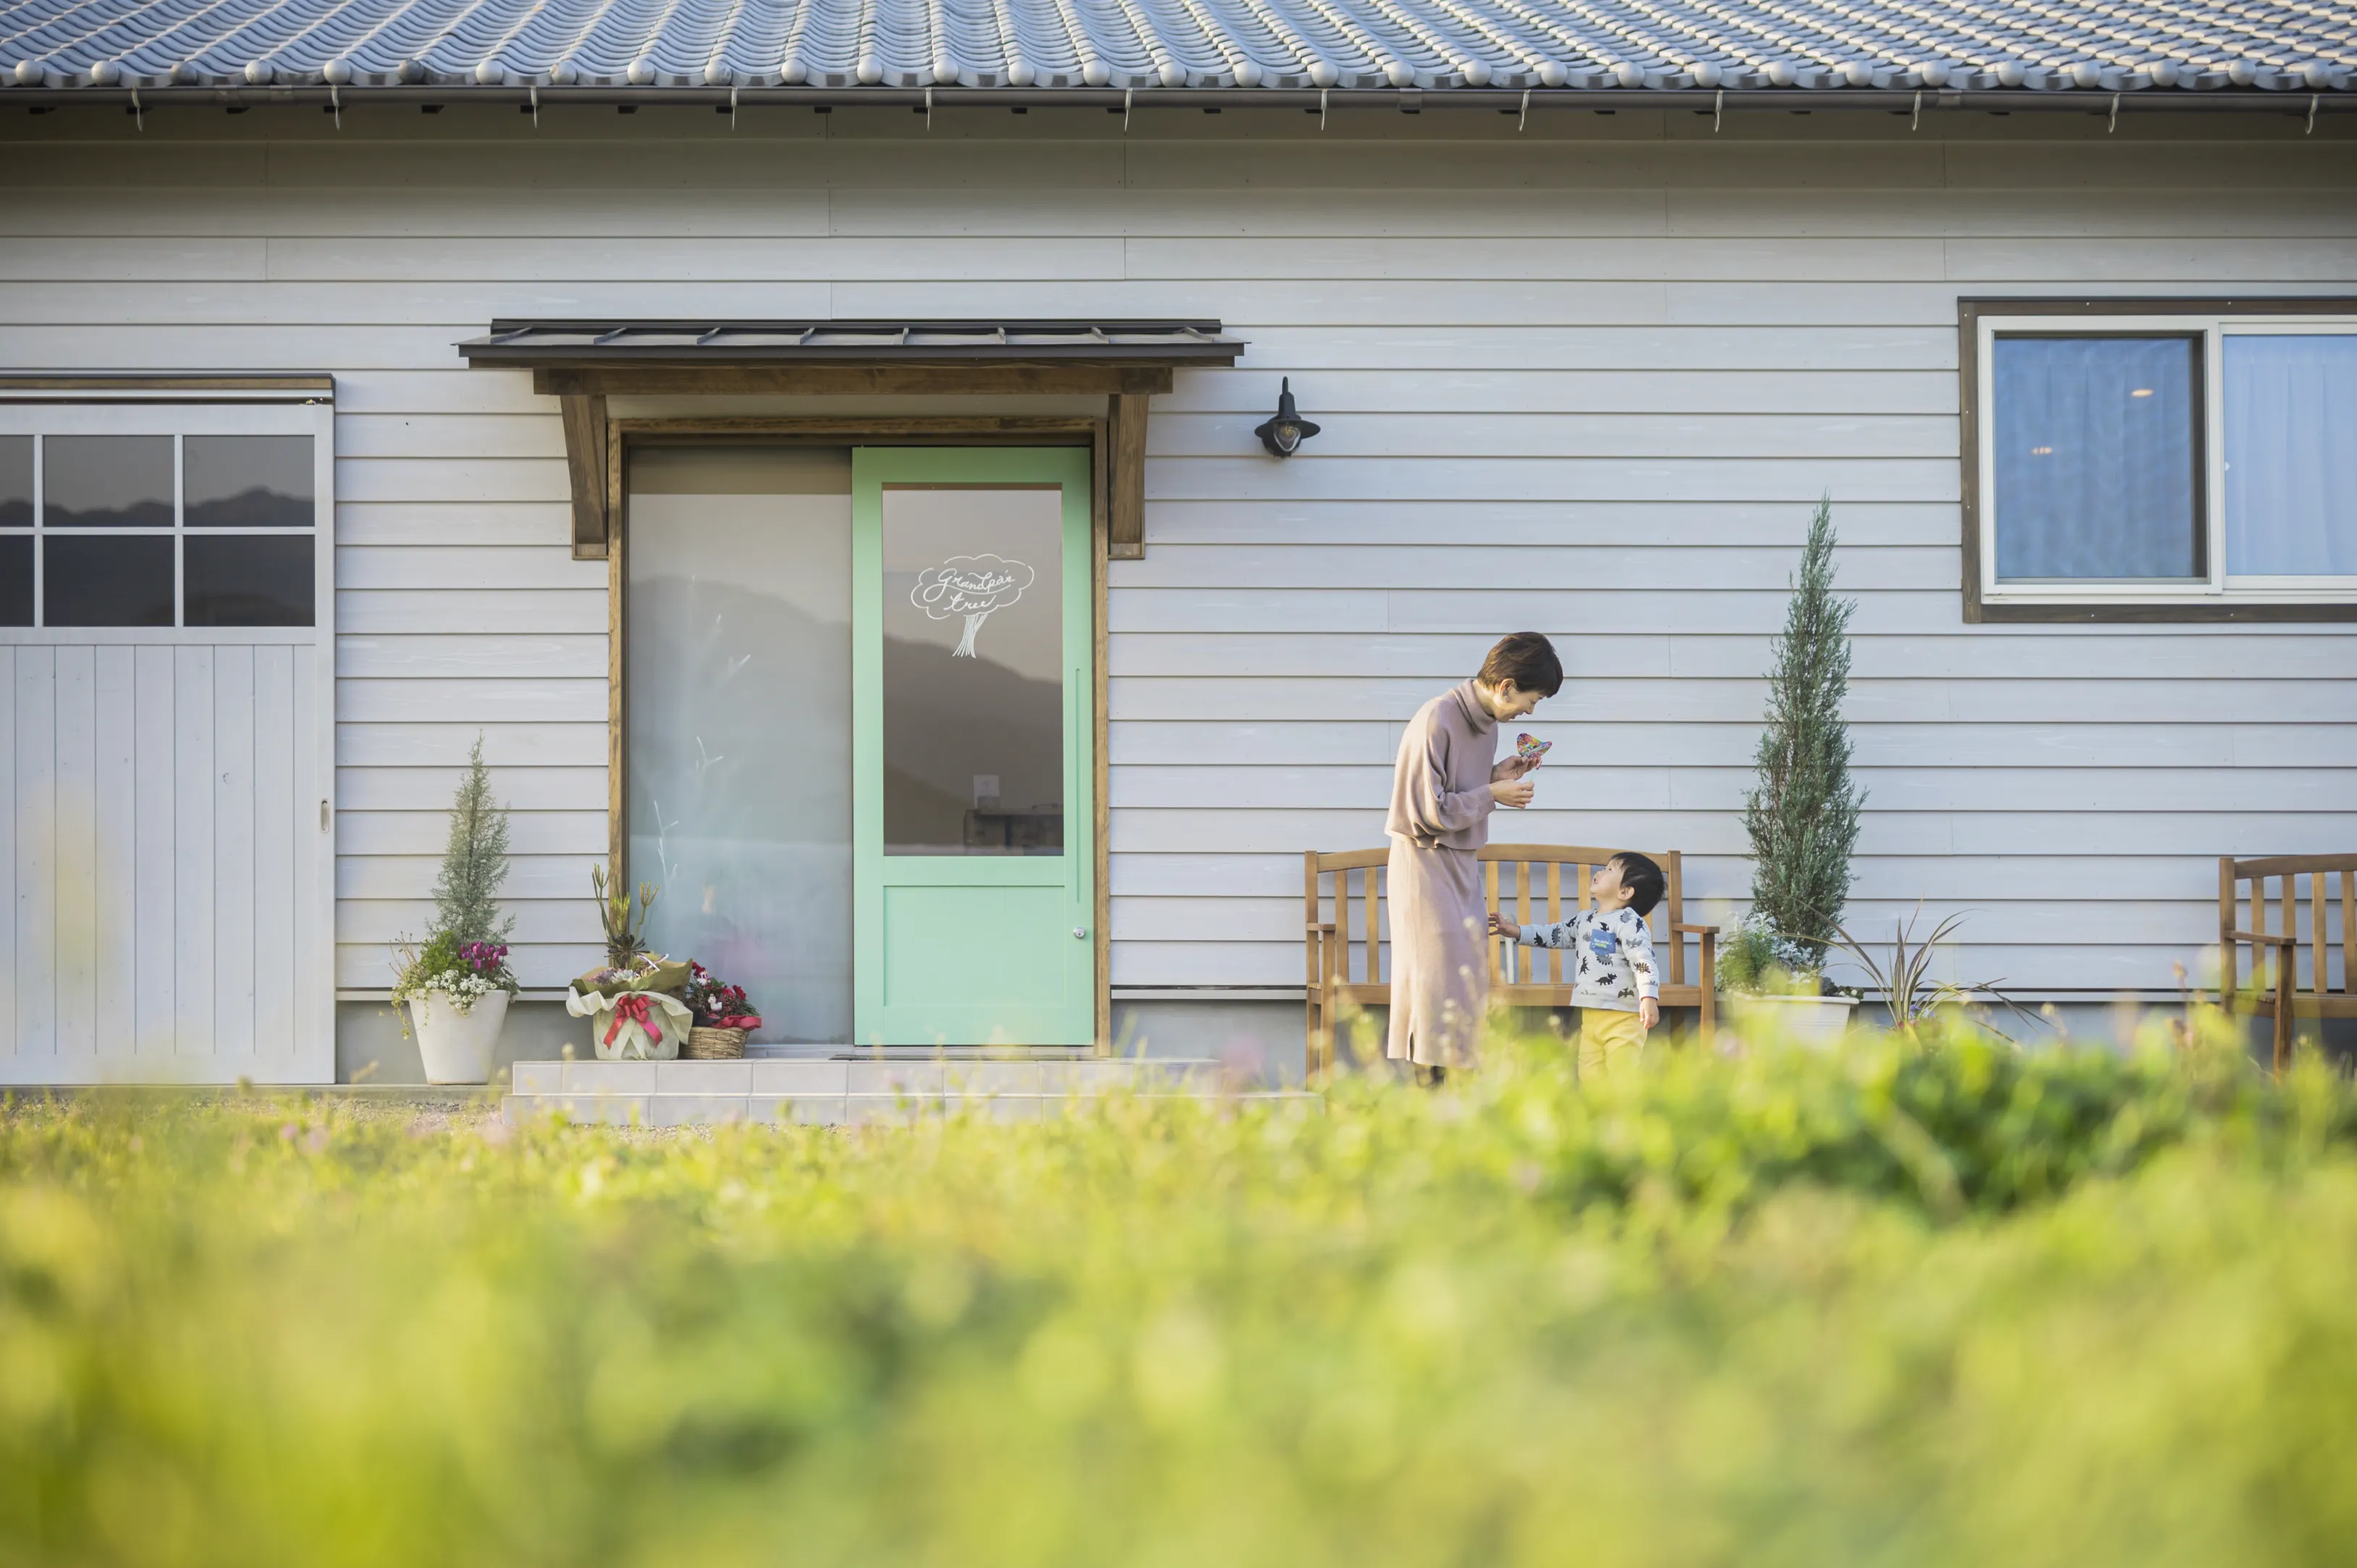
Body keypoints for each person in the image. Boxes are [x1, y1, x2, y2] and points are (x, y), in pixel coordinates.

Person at [1383, 632, 1561, 1082]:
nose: (1531, 710)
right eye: (1531, 698)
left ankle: (1452, 1099)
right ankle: (1430, 1096)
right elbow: (1426, 810)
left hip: (1461, 863)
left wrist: (1495, 775)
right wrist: (1492, 792)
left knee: (1463, 982)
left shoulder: (1487, 724)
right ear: (1504, 685)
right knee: (1433, 984)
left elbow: (1458, 790)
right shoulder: (1436, 718)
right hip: (1425, 865)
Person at [1489, 852, 1664, 1081]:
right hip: (1590, 1016)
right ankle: (1597, 1114)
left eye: (1611, 870)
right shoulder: (1584, 920)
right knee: (1590, 1074)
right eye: (1606, 866)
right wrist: (1517, 931)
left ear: (1625, 892)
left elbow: (1643, 960)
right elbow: (1554, 934)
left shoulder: (1629, 922)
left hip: (1624, 1018)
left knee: (1623, 1075)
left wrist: (1648, 997)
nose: (1601, 871)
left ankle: (1629, 1114)